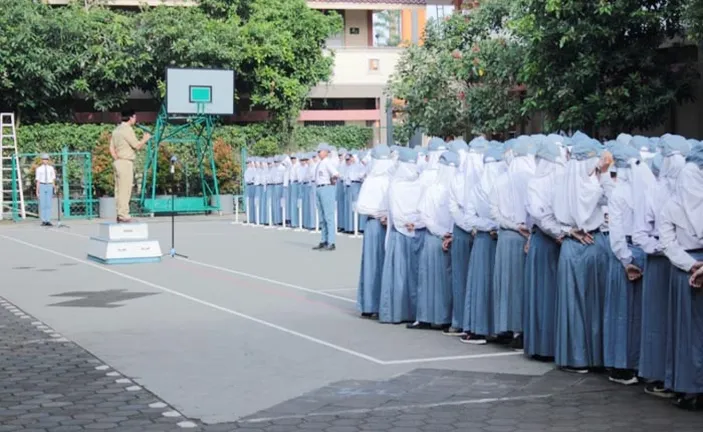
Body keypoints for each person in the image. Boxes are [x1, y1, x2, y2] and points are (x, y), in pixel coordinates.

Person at [552, 138, 613, 373]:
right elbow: (612, 198)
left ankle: (575, 358)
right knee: (595, 303)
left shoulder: (562, 183)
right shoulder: (594, 186)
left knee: (572, 304)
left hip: (570, 244)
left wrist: (568, 231)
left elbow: (551, 217)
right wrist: (604, 174)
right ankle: (596, 356)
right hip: (594, 243)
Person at [603, 144, 652, 385]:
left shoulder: (622, 192)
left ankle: (625, 364)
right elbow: (620, 232)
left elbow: (619, 230)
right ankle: (629, 364)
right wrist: (629, 258)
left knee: (626, 314)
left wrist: (626, 258)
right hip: (635, 252)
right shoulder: (635, 191)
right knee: (631, 314)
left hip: (630, 252)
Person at [659, 144, 703, 410]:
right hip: (691, 270)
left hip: (685, 271)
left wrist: (691, 265)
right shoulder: (672, 205)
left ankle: (688, 388)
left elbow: (668, 243)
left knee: (686, 333)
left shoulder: (671, 204)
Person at [523, 137, 567, 360]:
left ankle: (542, 345)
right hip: (560, 241)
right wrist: (563, 233)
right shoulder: (563, 179)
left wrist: (557, 233)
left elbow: (537, 216)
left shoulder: (535, 182)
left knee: (542, 294)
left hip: (545, 241)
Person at [490, 136, 536, 350]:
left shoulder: (500, 180)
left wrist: (511, 225)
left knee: (506, 285)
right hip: (525, 236)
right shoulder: (531, 179)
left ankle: (505, 327)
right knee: (521, 286)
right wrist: (524, 229)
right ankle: (521, 331)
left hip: (506, 237)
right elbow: (534, 212)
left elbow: (495, 213)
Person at [460, 145, 506, 345]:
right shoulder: (503, 185)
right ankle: (497, 328)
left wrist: (487, 226)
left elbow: (470, 218)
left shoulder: (477, 187)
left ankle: (480, 328)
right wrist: (494, 226)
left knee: (482, 284)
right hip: (496, 239)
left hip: (484, 239)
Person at [410, 150, 459, 330]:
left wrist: (443, 233)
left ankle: (431, 317)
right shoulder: (437, 188)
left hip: (438, 237)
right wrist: (446, 233)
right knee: (436, 279)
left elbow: (424, 215)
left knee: (436, 280)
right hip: (443, 238)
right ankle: (432, 317)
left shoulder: (437, 188)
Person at [379, 147, 424, 324]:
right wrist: (413, 223)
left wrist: (408, 223)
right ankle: (405, 312)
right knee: (408, 274)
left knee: (403, 275)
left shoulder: (398, 185)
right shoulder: (411, 184)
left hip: (403, 232)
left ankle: (400, 312)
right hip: (411, 231)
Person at [356, 145, 393, 318]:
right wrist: (380, 214)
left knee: (385, 264)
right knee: (373, 263)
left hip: (389, 225)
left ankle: (382, 304)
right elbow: (362, 206)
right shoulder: (371, 180)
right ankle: (370, 304)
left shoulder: (391, 179)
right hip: (374, 224)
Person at [109, 109, 151, 223]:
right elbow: (136, 145)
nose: (135, 119)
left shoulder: (116, 130)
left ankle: (119, 212)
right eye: (135, 117)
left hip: (118, 162)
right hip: (126, 162)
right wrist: (145, 139)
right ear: (131, 117)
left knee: (118, 189)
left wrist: (116, 158)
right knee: (125, 189)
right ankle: (124, 214)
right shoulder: (127, 129)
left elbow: (111, 147)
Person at [313, 143, 339, 251]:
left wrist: (332, 182)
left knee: (328, 216)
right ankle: (324, 240)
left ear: (325, 151)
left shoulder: (328, 162)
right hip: (319, 188)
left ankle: (331, 242)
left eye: (320, 151)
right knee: (322, 217)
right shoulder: (321, 163)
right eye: (318, 151)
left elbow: (336, 174)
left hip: (326, 188)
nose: (318, 153)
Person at [35, 153, 56, 227]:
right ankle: (44, 220)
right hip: (42, 185)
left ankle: (48, 220)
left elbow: (53, 179)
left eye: (46, 159)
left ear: (48, 160)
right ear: (42, 160)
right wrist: (37, 191)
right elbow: (38, 180)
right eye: (44, 159)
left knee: (49, 203)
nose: (45, 160)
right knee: (43, 203)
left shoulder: (51, 168)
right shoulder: (39, 169)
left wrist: (54, 188)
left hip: (49, 185)